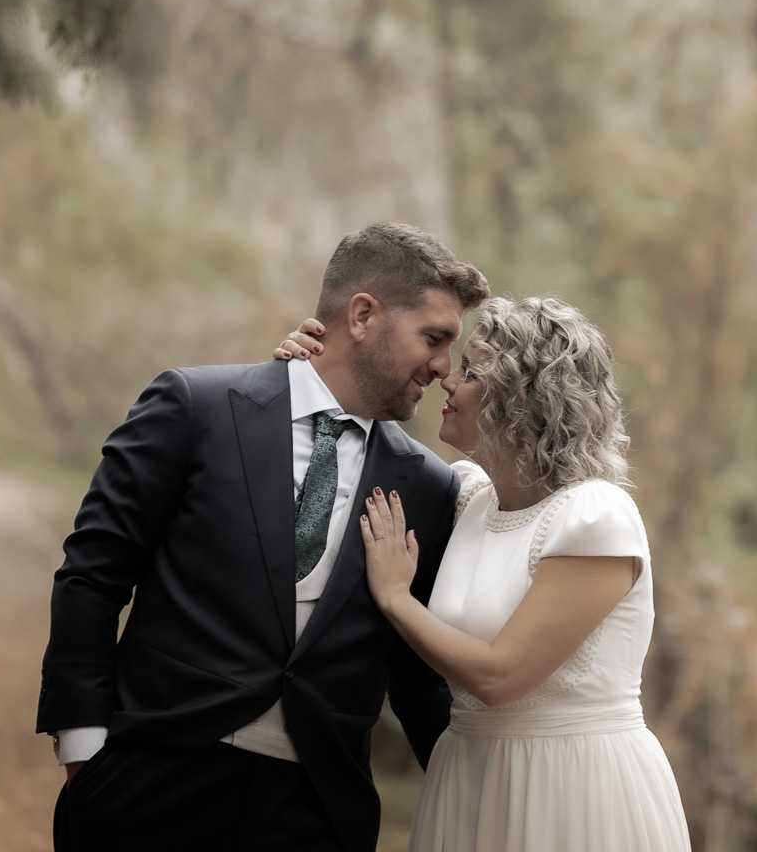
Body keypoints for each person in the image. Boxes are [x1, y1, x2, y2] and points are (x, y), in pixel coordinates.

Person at [38, 223, 489, 852]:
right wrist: (84, 753)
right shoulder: (194, 406)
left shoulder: (432, 488)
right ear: (362, 316)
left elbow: (414, 674)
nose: (444, 367)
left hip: (315, 813)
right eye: (434, 339)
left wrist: (484, 794)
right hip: (148, 784)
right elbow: (93, 576)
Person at [275, 295, 691, 852]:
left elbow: (500, 677)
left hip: (571, 787)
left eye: (470, 370)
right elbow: (352, 467)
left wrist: (397, 598)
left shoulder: (596, 516)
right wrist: (305, 381)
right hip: (468, 780)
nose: (446, 378)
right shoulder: (470, 496)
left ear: (521, 398)